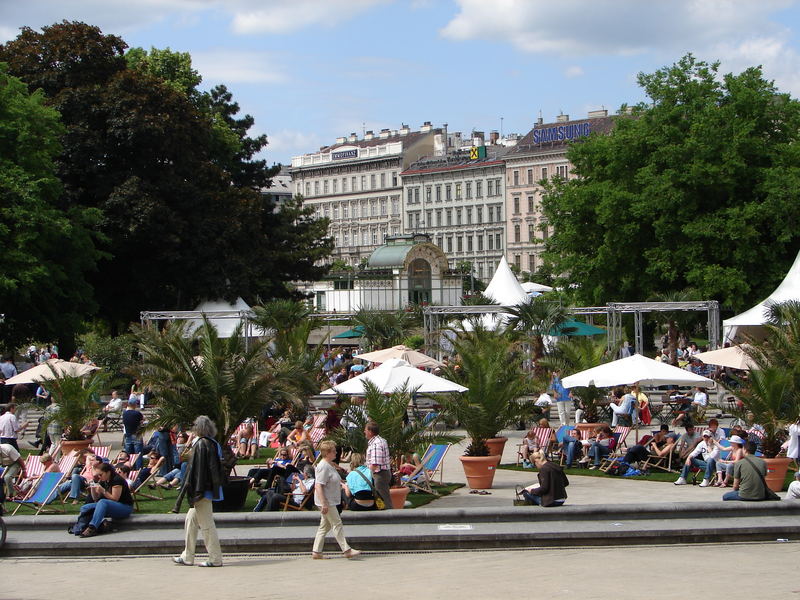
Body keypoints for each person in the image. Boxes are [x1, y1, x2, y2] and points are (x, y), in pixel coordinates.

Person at [173, 415, 224, 567]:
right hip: (205, 489)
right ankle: (187, 556)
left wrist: (196, 491)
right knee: (191, 520)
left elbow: (199, 470)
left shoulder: (202, 444)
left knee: (207, 524)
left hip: (202, 490)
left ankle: (215, 558)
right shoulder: (213, 443)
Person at [311, 440, 360, 559]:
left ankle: (316, 551)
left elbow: (333, 480)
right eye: (333, 451)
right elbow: (318, 485)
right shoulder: (323, 466)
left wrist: (342, 485)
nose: (336, 453)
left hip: (330, 500)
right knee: (337, 523)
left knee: (325, 526)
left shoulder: (329, 465)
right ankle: (346, 550)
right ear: (327, 453)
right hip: (327, 501)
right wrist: (324, 503)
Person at [77, 462, 135, 537]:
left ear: (108, 472)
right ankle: (82, 526)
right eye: (98, 475)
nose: (99, 476)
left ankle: (92, 528)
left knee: (103, 502)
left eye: (101, 474)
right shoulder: (103, 480)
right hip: (111, 506)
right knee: (85, 507)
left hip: (125, 507)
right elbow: (95, 498)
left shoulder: (117, 480)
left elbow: (115, 498)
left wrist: (103, 490)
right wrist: (92, 488)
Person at [365, 421, 391, 509]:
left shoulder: (376, 444)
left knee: (383, 497)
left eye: (365, 430)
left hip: (380, 474)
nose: (364, 432)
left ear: (370, 432)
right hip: (382, 473)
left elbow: (375, 463)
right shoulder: (380, 441)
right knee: (383, 496)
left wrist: (367, 475)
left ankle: (389, 515)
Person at [122, 399, 144, 469]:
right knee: (138, 455)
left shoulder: (125, 413)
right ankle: (138, 470)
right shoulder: (137, 413)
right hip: (136, 435)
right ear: (135, 405)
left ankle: (129, 469)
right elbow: (142, 422)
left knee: (129, 455)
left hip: (128, 435)